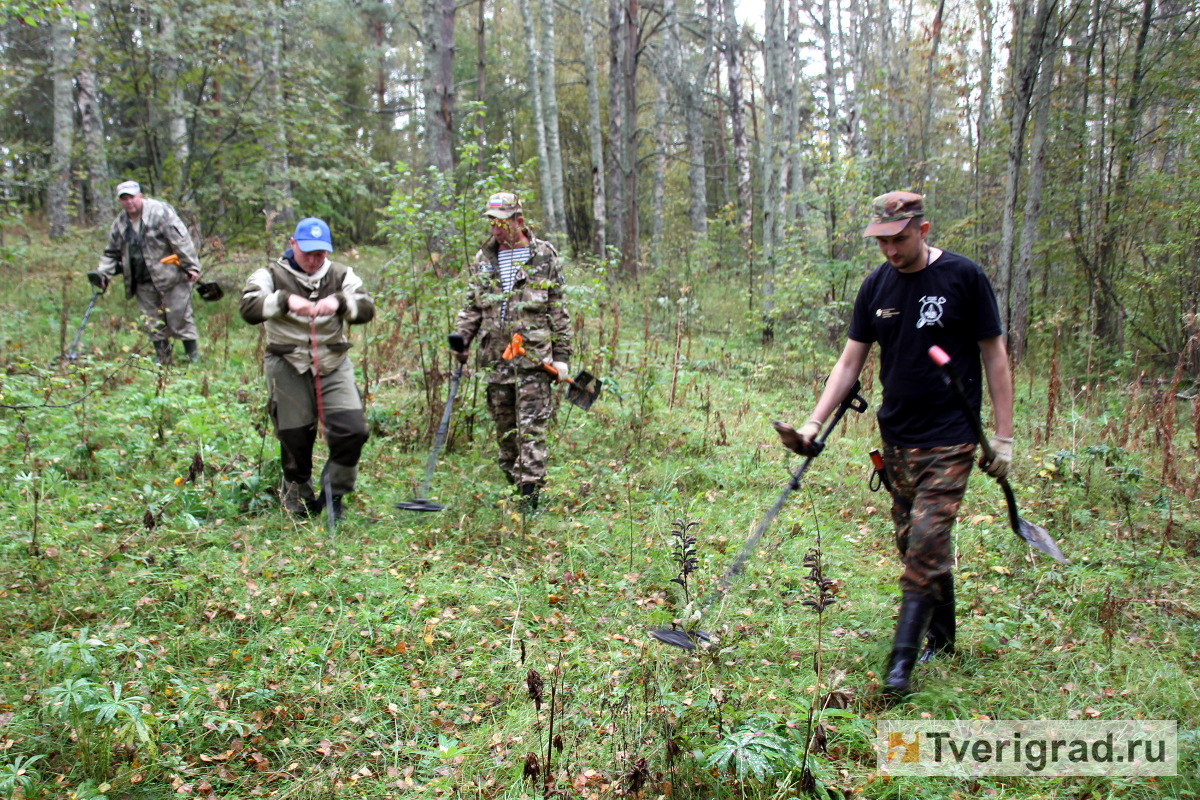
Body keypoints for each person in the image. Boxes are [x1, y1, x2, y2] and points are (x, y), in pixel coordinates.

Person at [776, 191, 1014, 697]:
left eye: (899, 239)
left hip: (952, 438)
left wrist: (1004, 437)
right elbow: (849, 363)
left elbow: (995, 356)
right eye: (881, 240)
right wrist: (813, 424)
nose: (889, 250)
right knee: (913, 541)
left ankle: (899, 669)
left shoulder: (963, 279)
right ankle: (945, 635)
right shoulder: (876, 286)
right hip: (897, 438)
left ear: (922, 230)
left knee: (925, 542)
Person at [238, 217, 375, 520]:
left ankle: (333, 492)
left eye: (321, 254)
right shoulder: (270, 274)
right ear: (293, 244)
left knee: (353, 431)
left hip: (332, 360)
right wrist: (285, 301)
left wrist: (340, 303)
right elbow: (248, 308)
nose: (314, 260)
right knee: (295, 437)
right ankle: (297, 498)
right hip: (287, 361)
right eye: (308, 252)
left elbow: (366, 307)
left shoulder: (341, 273)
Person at [451, 192, 572, 510]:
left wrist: (562, 358)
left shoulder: (544, 256)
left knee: (531, 431)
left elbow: (558, 310)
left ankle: (530, 501)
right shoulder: (484, 258)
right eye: (492, 220)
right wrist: (461, 337)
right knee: (506, 435)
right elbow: (473, 306)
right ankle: (515, 486)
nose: (496, 227)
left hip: (533, 360)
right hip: (496, 360)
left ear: (519, 220)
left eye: (502, 221)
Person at [89, 180, 203, 364]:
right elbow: (111, 253)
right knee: (152, 321)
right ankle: (163, 357)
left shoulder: (160, 212)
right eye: (124, 199)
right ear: (120, 201)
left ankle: (193, 357)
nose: (129, 202)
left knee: (180, 316)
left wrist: (191, 266)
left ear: (140, 196)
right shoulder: (120, 223)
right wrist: (103, 274)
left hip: (170, 275)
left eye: (132, 197)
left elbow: (181, 240)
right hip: (141, 279)